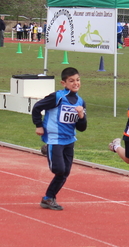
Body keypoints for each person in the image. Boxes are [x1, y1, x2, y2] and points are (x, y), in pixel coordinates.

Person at [31, 67, 88, 211]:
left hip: (69, 140)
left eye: (78, 80)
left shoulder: (80, 102)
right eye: (71, 81)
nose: (76, 83)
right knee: (58, 169)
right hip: (54, 138)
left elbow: (82, 128)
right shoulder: (57, 97)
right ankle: (48, 150)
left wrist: (81, 116)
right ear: (64, 83)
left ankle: (48, 198)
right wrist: (39, 125)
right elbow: (37, 107)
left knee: (65, 173)